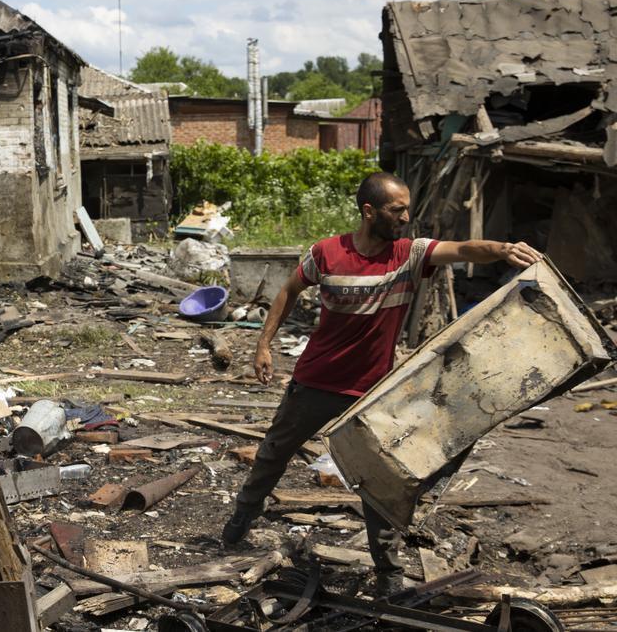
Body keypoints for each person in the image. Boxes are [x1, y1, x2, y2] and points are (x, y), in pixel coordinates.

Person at [221, 171, 542, 597]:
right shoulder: (327, 253)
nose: (406, 217)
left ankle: (388, 575)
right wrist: (263, 345)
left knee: (379, 482)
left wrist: (503, 249)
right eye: (397, 210)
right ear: (369, 211)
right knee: (272, 455)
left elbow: (464, 249)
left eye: (408, 207)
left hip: (373, 392)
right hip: (316, 381)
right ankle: (242, 518)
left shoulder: (409, 255)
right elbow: (289, 290)